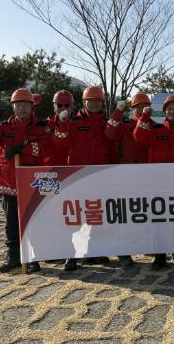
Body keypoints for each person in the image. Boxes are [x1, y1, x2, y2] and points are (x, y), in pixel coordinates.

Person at [0, 88, 51, 273]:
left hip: (31, 182)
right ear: (13, 106)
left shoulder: (41, 126)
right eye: (18, 104)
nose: (22, 108)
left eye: (25, 104)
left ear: (32, 106)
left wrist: (22, 149)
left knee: (32, 221)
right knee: (11, 223)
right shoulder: (3, 126)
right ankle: (13, 256)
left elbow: (45, 148)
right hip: (8, 182)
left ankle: (33, 257)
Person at [53, 85, 119, 271]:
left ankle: (93, 251)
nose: (95, 104)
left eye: (98, 101)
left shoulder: (106, 123)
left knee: (96, 215)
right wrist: (62, 124)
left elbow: (113, 148)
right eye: (91, 101)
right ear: (84, 102)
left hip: (100, 176)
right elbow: (60, 144)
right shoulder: (73, 122)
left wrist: (114, 170)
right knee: (75, 216)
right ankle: (70, 254)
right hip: (78, 176)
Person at [133, 94, 174, 269]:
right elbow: (138, 137)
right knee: (159, 220)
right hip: (157, 184)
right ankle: (159, 256)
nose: (172, 112)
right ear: (164, 112)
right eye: (169, 109)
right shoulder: (156, 129)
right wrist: (145, 115)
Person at [105, 91, 150, 164]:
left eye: (145, 107)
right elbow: (109, 134)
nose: (142, 109)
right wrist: (118, 111)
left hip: (150, 167)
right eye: (138, 107)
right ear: (133, 109)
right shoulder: (125, 126)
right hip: (129, 167)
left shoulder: (154, 126)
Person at [44, 90, 75, 166]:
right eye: (59, 105)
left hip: (71, 169)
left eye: (67, 105)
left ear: (71, 108)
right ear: (54, 108)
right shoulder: (45, 125)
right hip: (50, 169)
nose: (63, 108)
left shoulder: (77, 125)